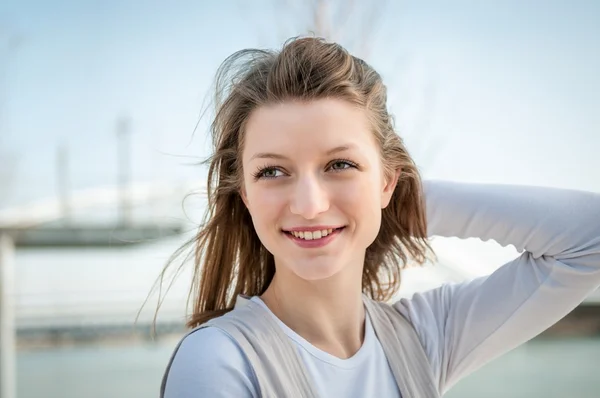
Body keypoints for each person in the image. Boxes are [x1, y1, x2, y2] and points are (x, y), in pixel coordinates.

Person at [159, 37, 600, 397]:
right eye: (272, 172)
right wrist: (361, 199)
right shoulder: (219, 362)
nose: (309, 204)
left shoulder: (421, 339)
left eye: (339, 165)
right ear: (246, 196)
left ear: (388, 181)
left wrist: (387, 203)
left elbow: (589, 237)